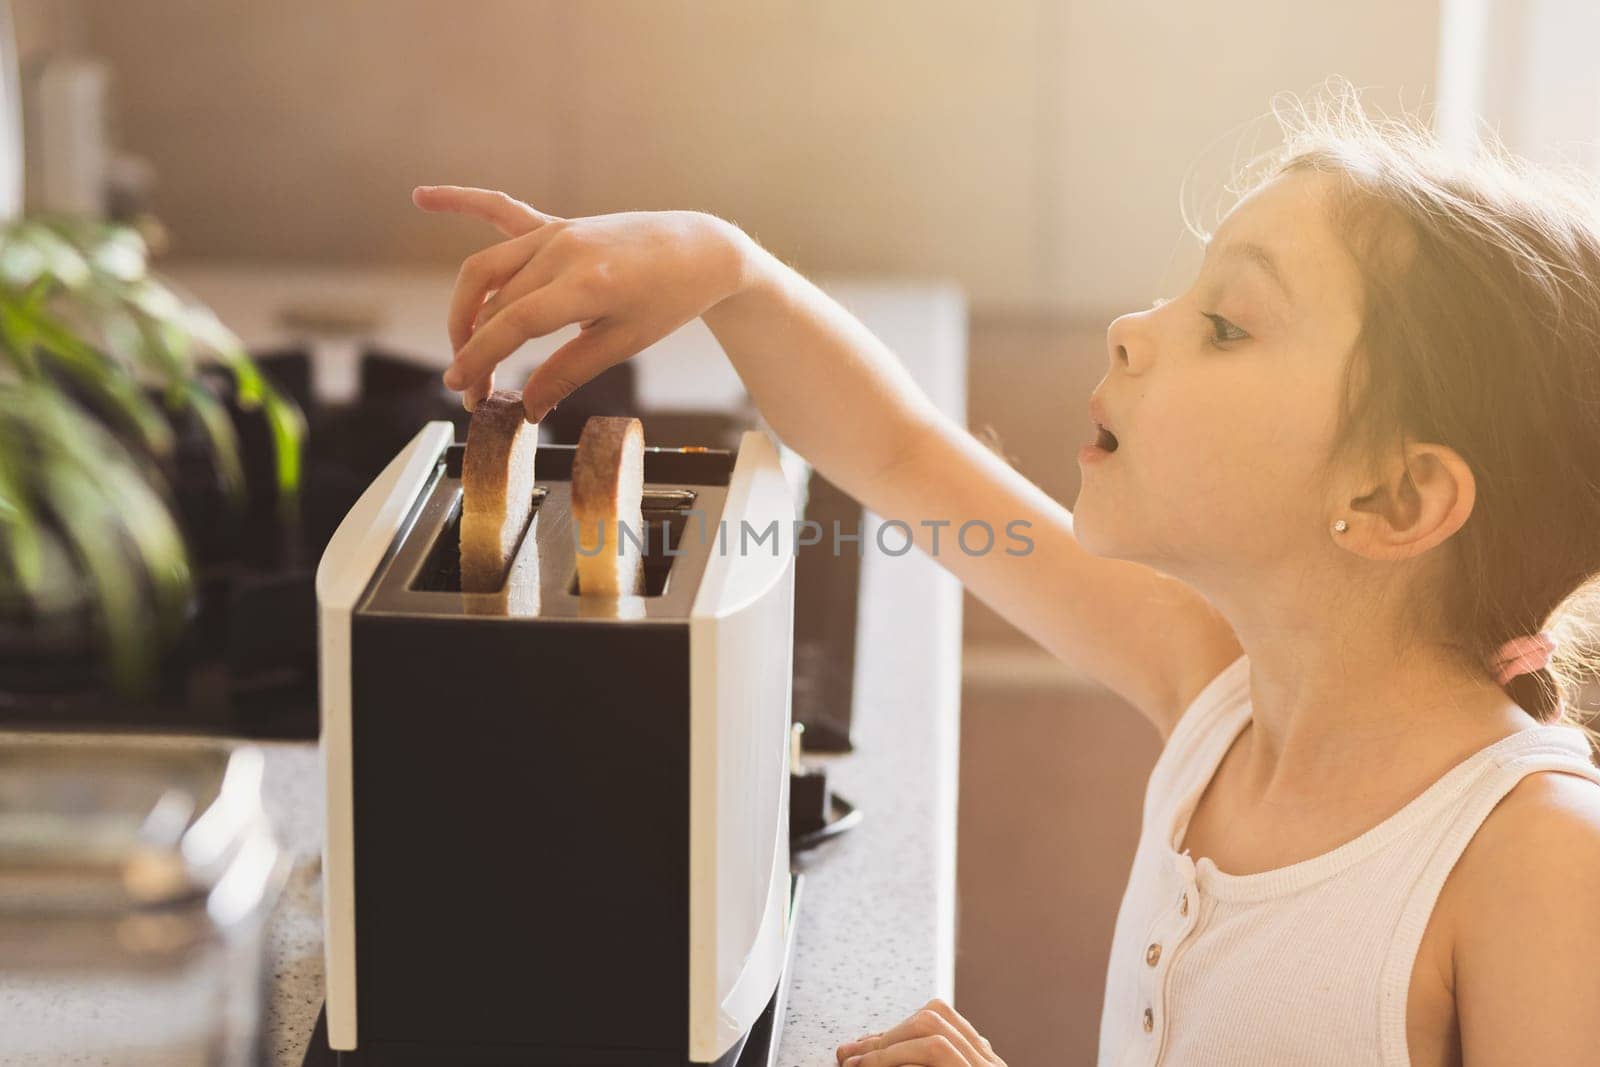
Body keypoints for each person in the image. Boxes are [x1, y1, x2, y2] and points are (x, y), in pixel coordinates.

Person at [412, 83, 1600, 1066]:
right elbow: (901, 454)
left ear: (1396, 498)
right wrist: (728, 270)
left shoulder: (1537, 871)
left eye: (1227, 323)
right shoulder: (1228, 701)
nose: (1134, 327)